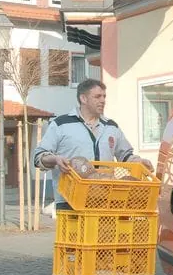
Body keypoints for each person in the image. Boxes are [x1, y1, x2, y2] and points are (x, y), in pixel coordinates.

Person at [33, 78, 153, 212]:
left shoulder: (111, 126)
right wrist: (55, 159)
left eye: (104, 96)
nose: (103, 100)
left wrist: (139, 161)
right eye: (97, 96)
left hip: (106, 200)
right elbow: (39, 157)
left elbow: (125, 156)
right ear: (83, 98)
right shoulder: (61, 124)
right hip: (70, 201)